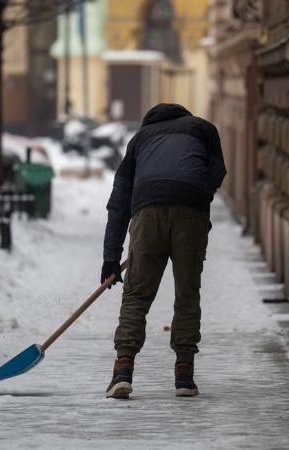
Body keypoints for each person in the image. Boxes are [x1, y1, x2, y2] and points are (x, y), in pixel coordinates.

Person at [100, 103, 226, 399]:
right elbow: (217, 172)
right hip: (190, 214)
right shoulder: (203, 129)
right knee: (187, 292)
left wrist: (110, 256)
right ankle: (184, 375)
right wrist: (193, 195)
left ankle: (122, 371)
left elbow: (119, 201)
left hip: (147, 213)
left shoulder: (139, 139)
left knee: (136, 294)